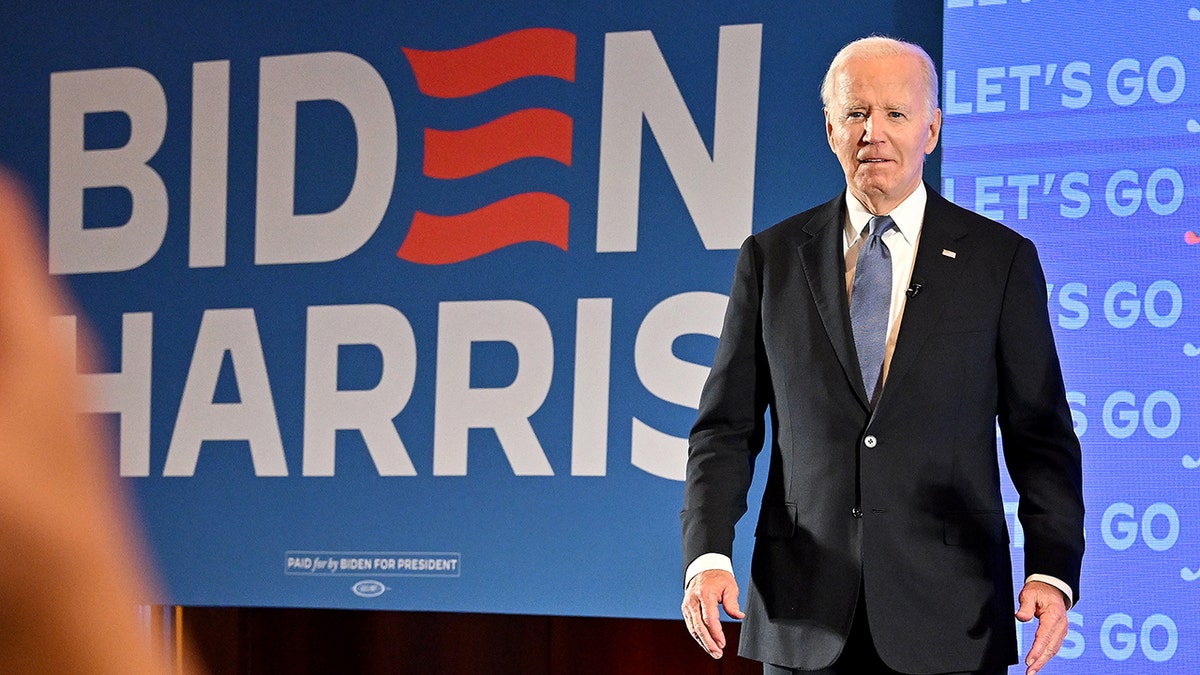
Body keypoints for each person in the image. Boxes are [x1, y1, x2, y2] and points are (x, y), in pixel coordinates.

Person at [679, 36, 1084, 675]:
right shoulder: (771, 258)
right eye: (857, 113)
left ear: (932, 129)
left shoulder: (999, 261)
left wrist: (1052, 568)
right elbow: (724, 431)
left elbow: (1041, 435)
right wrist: (707, 555)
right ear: (831, 129)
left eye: (895, 113)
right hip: (801, 613)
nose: (875, 132)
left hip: (953, 615)